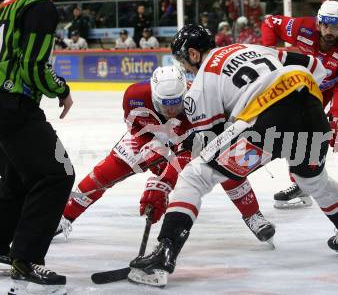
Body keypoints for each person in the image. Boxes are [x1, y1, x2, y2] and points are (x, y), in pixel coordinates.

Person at [128, 24, 338, 287]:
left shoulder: (202, 81)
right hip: (312, 111)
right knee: (313, 180)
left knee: (195, 176)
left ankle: (163, 256)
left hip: (267, 121)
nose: (187, 71)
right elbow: (316, 66)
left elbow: (211, 139)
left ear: (192, 54)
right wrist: (301, 106)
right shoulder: (252, 48)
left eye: (183, 62)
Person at [56, 65, 276, 244]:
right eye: (165, 104)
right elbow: (136, 131)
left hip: (189, 142)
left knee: (225, 167)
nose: (171, 110)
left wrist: (163, 183)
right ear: (153, 94)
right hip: (152, 136)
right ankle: (64, 216)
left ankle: (252, 215)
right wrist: (152, 155)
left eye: (176, 104)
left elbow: (187, 153)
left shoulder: (197, 103)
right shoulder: (134, 96)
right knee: (105, 173)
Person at [261, 0, 338, 211]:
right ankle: (302, 183)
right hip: (320, 83)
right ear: (318, 23)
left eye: (335, 26)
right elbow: (270, 22)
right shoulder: (303, 28)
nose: (329, 30)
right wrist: (269, 56)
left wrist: (337, 118)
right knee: (298, 127)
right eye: (325, 25)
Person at [0, 0, 75, 294]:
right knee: (56, 175)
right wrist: (61, 89)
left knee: (19, 178)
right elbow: (34, 65)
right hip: (12, 104)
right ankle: (27, 257)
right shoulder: (39, 7)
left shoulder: (7, 4)